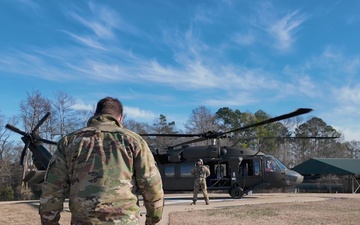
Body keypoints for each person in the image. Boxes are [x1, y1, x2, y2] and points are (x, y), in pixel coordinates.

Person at [39, 97, 164, 225]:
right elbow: (151, 185)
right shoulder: (135, 141)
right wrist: (152, 219)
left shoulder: (69, 142)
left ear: (95, 115)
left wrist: (50, 222)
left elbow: (52, 187)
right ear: (120, 118)